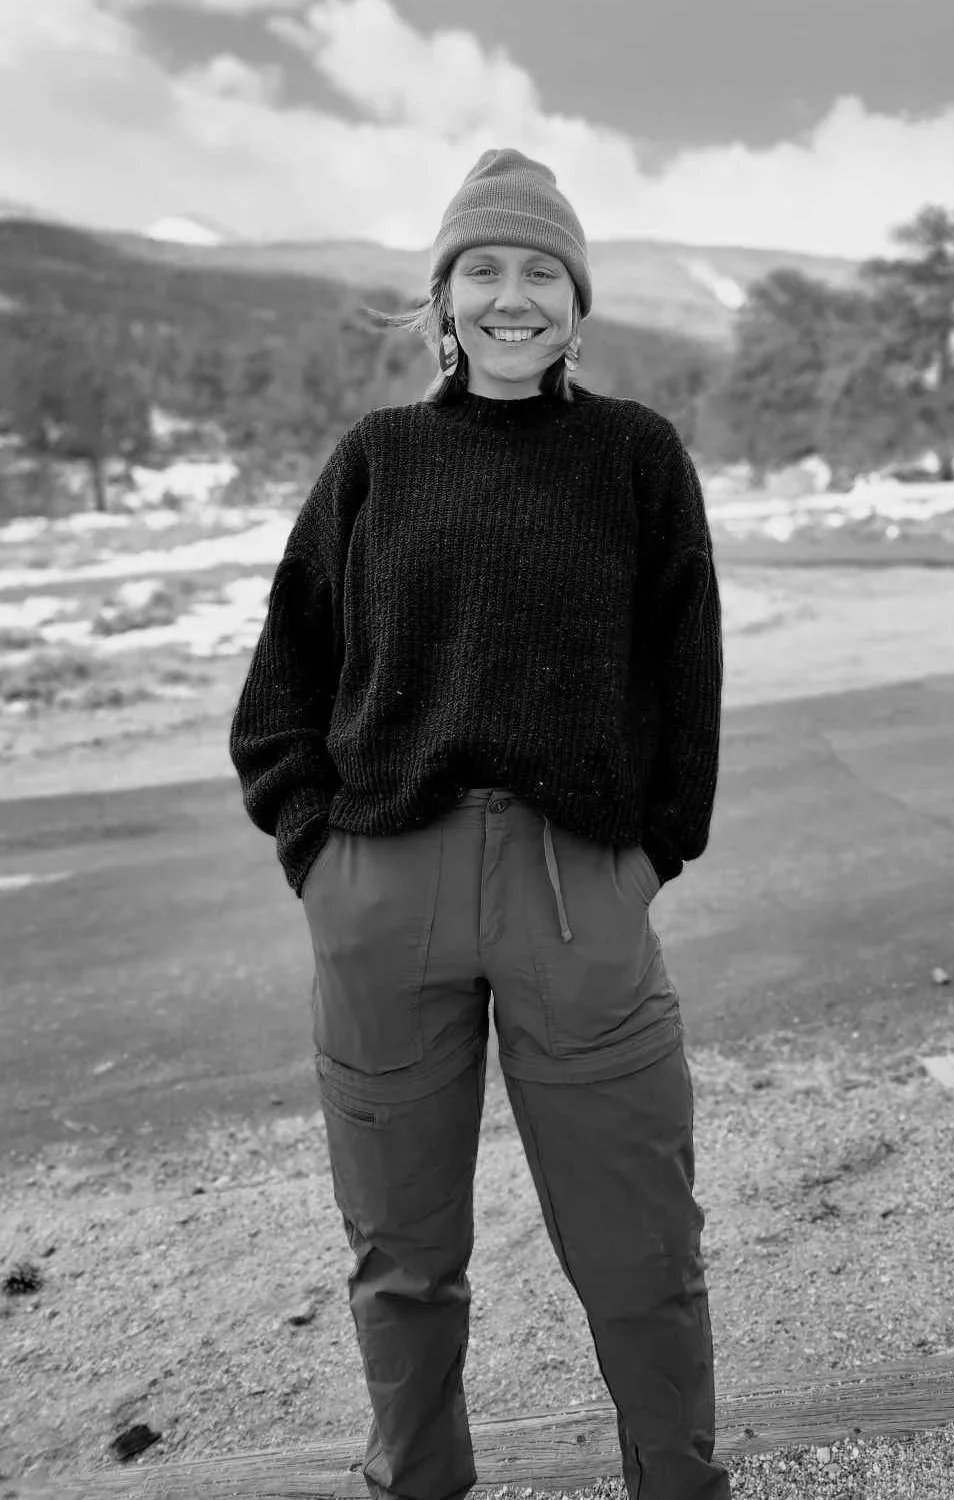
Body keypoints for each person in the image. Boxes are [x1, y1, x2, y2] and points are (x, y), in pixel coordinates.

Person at [229, 148, 730, 1500]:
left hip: (579, 894)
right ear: (443, 301)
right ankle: (419, 1483)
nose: (514, 296)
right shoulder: (376, 460)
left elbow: (686, 672)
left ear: (578, 300)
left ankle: (679, 1485)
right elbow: (282, 683)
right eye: (484, 270)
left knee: (641, 1250)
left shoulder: (637, 457)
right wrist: (320, 856)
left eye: (541, 272)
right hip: (383, 892)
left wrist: (650, 855)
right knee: (401, 1257)